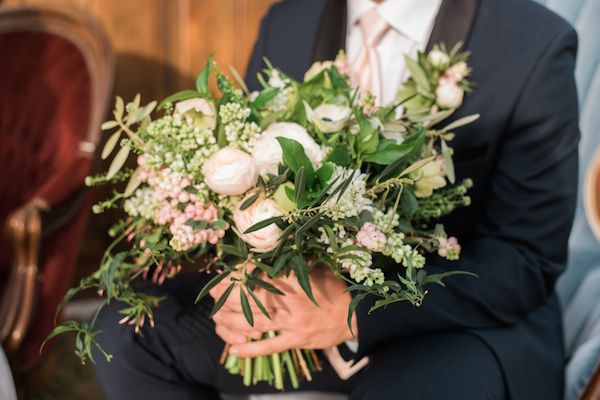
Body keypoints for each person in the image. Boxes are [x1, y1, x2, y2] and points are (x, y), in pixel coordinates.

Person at [93, 0, 580, 398]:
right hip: (289, 311)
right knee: (121, 335)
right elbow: (250, 173)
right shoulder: (289, 21)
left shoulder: (532, 44)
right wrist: (244, 267)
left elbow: (526, 258)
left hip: (452, 323)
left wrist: (351, 311)